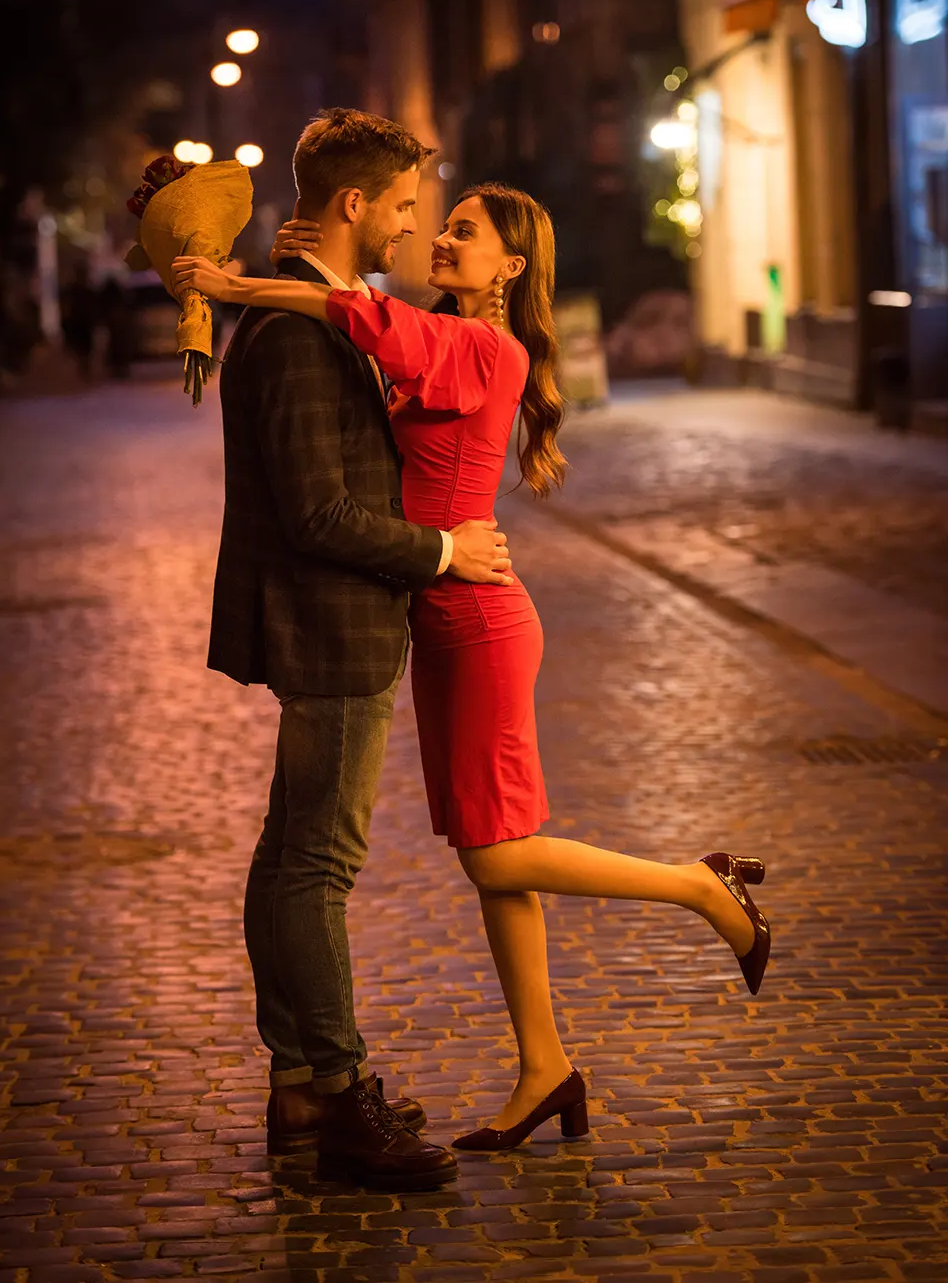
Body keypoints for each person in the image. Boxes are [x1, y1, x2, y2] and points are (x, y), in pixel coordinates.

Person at [174, 166, 772, 1156]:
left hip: (480, 619)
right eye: (435, 224)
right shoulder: (444, 334)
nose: (439, 239)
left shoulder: (480, 346)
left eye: (460, 230)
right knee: (490, 857)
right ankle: (544, 1065)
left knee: (499, 849)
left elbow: (347, 309)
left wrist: (235, 289)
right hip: (441, 615)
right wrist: (286, 265)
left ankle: (701, 887)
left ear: (510, 263)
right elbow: (352, 307)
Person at [188, 110, 513, 1192]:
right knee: (315, 865)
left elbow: (379, 331)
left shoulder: (332, 318)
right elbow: (319, 511)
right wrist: (444, 548)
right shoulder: (294, 340)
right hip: (332, 628)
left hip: (343, 625)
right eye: (407, 206)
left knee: (290, 856)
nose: (416, 227)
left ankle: (299, 1084)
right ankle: (336, 1092)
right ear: (354, 205)